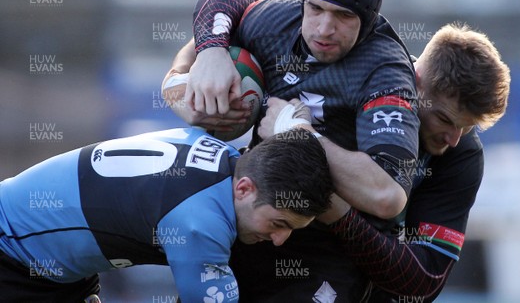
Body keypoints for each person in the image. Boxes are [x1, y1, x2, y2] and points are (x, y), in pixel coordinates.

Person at [163, 0, 421, 301]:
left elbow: (386, 195)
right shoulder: (279, 20)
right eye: (316, 8)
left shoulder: (385, 70)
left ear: (368, 20)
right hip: (250, 225)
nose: (324, 28)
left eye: (344, 16)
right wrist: (205, 55)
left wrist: (298, 134)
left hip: (325, 249)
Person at [286, 22, 511, 302]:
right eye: (444, 119)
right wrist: (213, 48)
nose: (453, 139)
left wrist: (336, 212)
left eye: (466, 127)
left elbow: (424, 281)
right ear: (413, 80)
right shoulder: (361, 80)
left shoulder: (462, 154)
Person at [0, 127, 333, 302]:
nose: (279, 241)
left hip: (56, 269)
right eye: (278, 224)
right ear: (244, 189)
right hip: (12, 257)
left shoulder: (227, 155)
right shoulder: (201, 225)